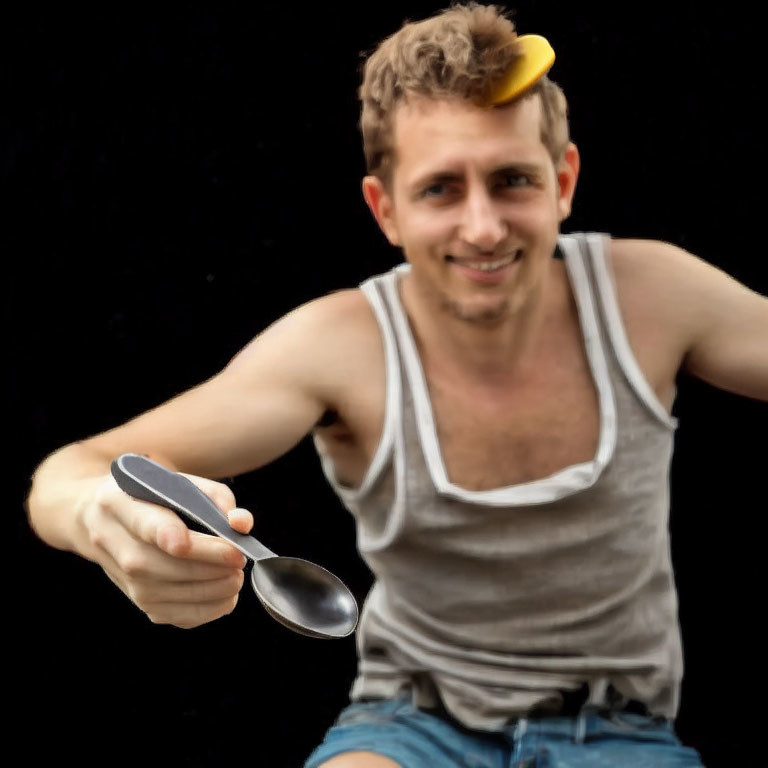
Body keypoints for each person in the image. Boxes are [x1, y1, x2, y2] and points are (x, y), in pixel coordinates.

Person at [25, 3, 767, 766]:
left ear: (563, 181)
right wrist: (99, 518)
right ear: (385, 209)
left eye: (513, 180)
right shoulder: (342, 344)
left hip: (620, 733)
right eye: (441, 189)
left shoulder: (652, 295)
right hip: (407, 725)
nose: (483, 227)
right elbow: (67, 473)